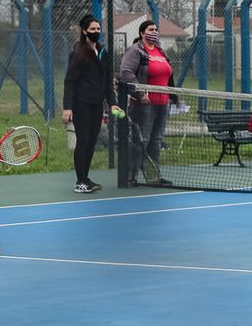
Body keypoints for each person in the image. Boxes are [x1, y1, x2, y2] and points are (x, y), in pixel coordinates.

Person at [62, 14, 119, 193]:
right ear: (85, 31)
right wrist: (67, 107)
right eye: (93, 29)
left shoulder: (104, 53)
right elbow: (70, 81)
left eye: (98, 29)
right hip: (81, 103)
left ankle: (85, 178)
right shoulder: (77, 53)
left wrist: (112, 103)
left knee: (92, 141)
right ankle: (80, 181)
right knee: (83, 140)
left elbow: (108, 80)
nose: (96, 32)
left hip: (97, 104)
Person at [118, 20, 174, 187]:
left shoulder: (160, 51)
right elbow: (126, 73)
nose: (154, 32)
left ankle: (153, 177)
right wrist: (141, 92)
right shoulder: (136, 51)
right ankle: (129, 177)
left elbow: (168, 75)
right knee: (141, 140)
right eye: (151, 29)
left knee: (156, 141)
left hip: (163, 103)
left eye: (156, 29)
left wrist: (174, 96)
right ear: (142, 33)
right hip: (144, 104)